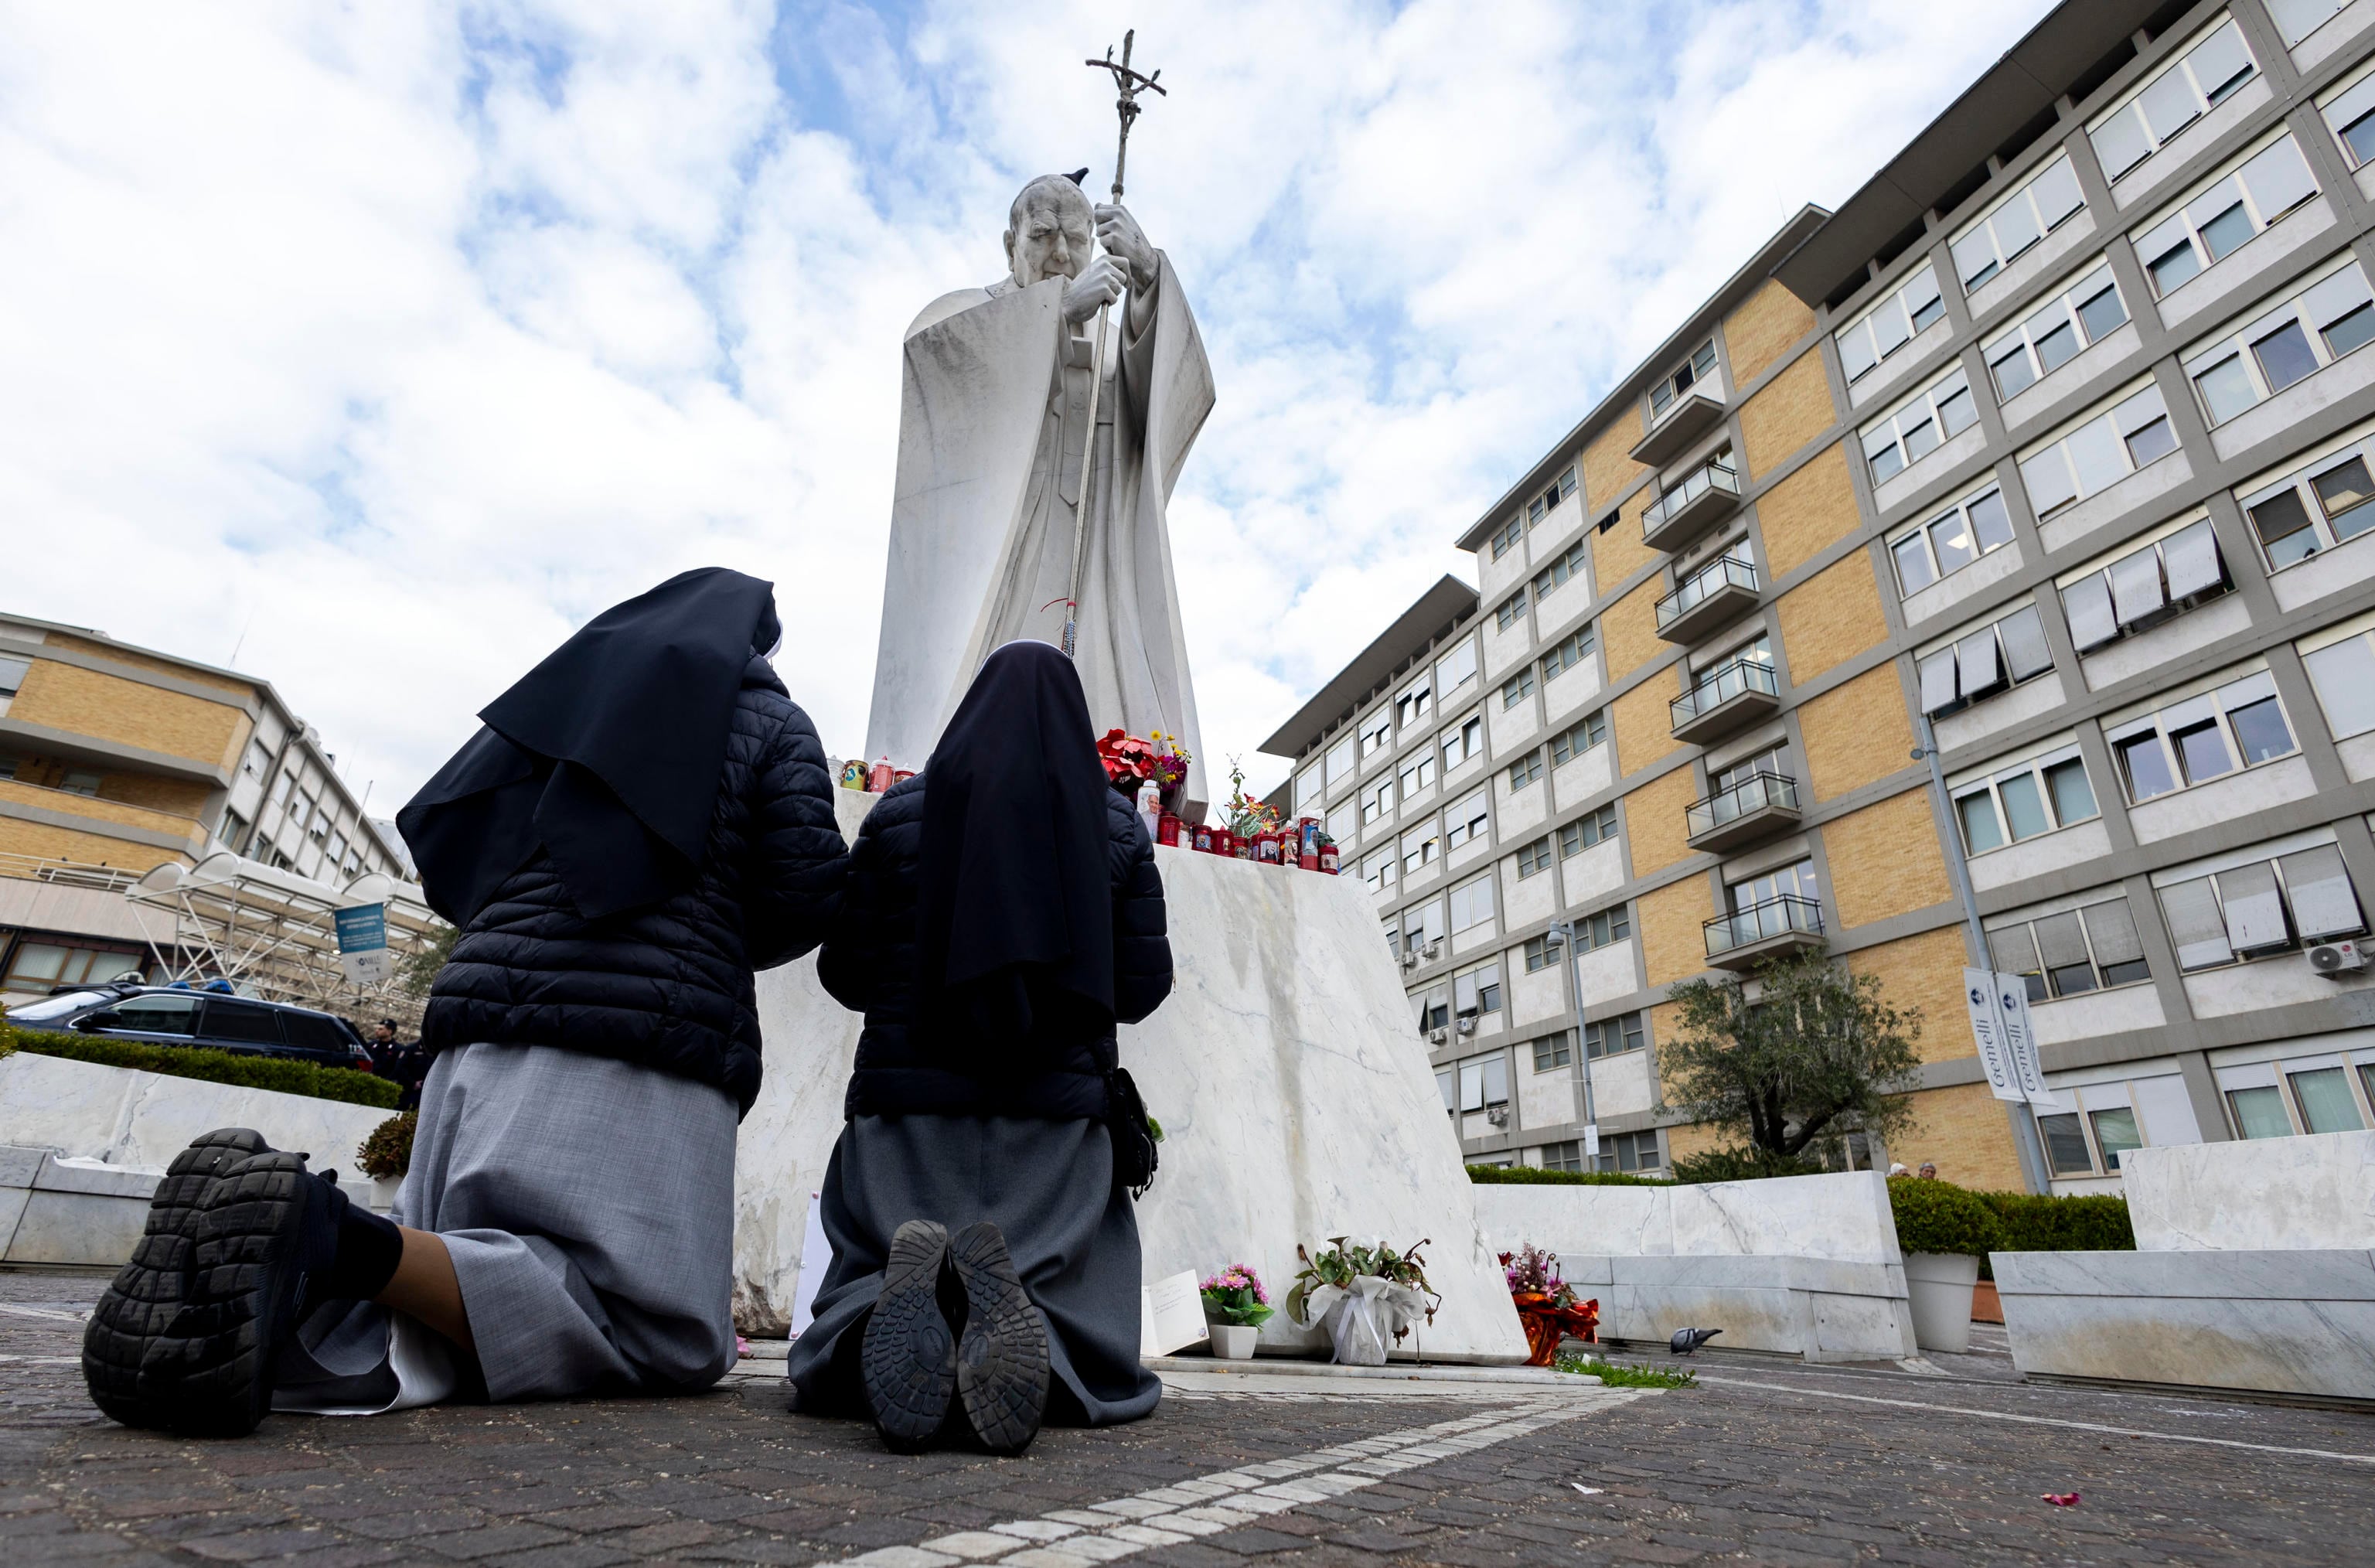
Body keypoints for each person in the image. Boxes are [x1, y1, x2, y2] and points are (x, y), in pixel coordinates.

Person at [80, 568, 848, 1435]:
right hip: (642, 1046)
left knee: (458, 1261)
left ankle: (297, 1272)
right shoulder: (772, 722)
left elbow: (454, 841)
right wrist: (716, 936)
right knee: (656, 1326)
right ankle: (324, 1230)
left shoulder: (564, 706)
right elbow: (808, 888)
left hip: (475, 1033)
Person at [784, 640, 1172, 1454]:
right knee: (1059, 1285)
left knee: (870, 1263)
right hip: (1056, 1131)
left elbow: (846, 971)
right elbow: (1141, 989)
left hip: (906, 1119)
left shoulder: (896, 818)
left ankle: (882, 1325)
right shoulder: (1117, 829)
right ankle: (1029, 1328)